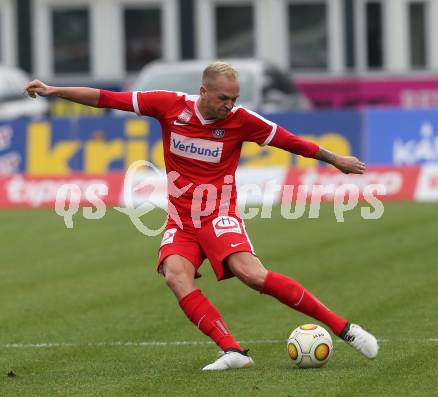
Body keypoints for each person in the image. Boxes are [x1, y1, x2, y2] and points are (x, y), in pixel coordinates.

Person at [25, 62, 378, 371]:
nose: (230, 105)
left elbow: (289, 141)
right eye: (223, 98)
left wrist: (335, 160)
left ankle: (345, 328)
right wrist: (54, 90)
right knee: (175, 275)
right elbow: (106, 98)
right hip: (181, 218)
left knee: (251, 275)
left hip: (218, 214)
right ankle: (232, 351)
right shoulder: (169, 105)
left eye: (234, 98)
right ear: (203, 91)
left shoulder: (242, 121)